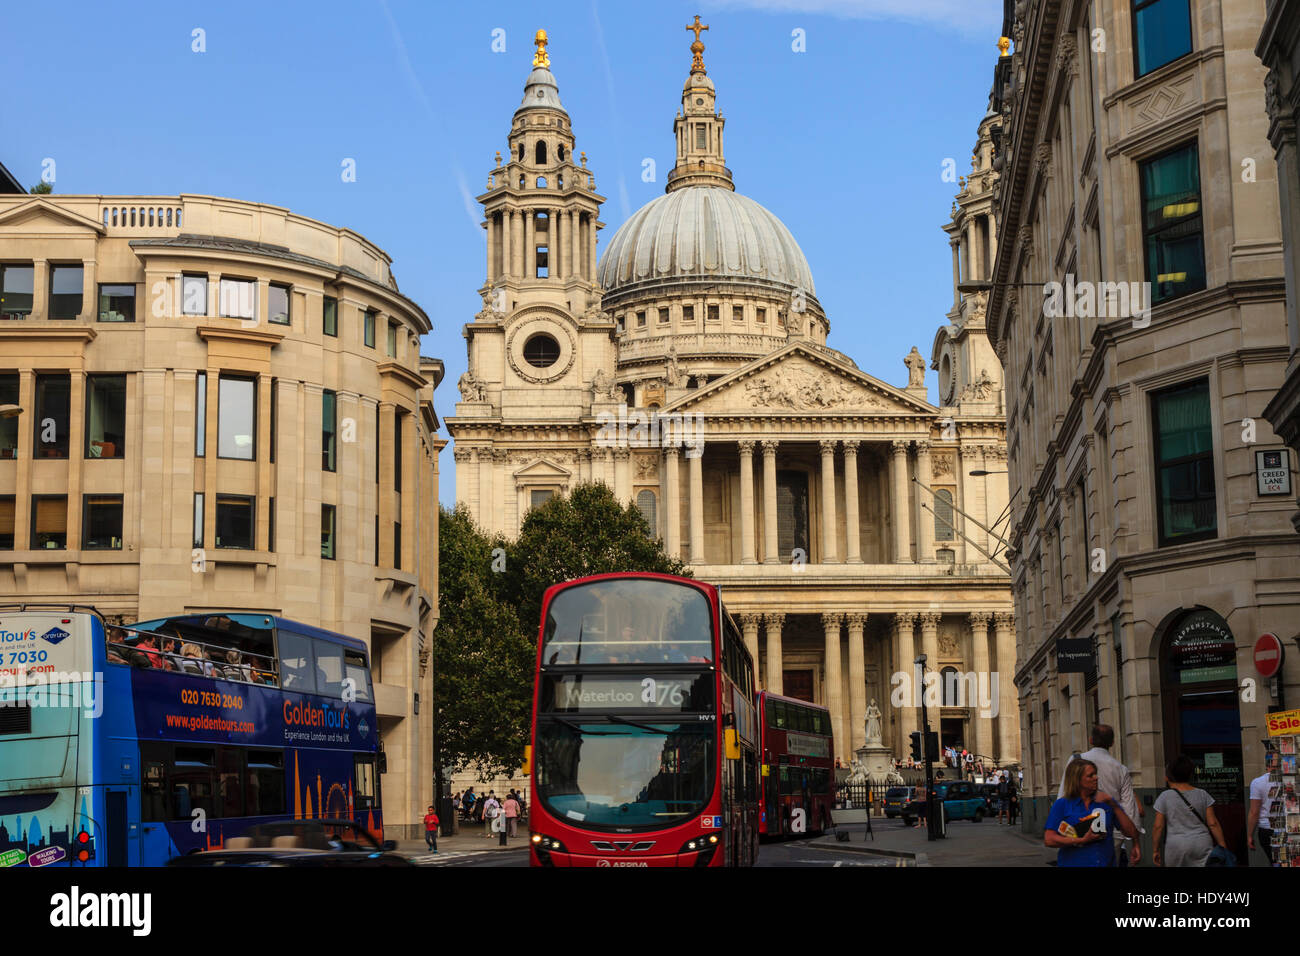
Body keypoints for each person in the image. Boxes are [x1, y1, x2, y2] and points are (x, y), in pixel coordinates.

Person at [1057, 725, 1143, 866]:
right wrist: (1135, 842)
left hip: (1077, 828)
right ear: (1112, 743)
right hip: (1110, 833)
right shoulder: (1121, 769)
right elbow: (1130, 808)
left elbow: (1063, 794)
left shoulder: (1076, 760)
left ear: (1091, 740)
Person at [1045, 757, 1138, 867]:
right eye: (1090, 775)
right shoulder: (1062, 804)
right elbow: (1049, 839)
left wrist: (1113, 804)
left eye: (1095, 774)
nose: (1096, 778)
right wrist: (1081, 840)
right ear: (1077, 780)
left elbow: (1131, 832)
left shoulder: (1106, 802)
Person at [1152, 755, 1227, 867]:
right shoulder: (1203, 794)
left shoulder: (1164, 797)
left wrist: (1155, 850)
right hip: (1202, 843)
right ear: (1190, 774)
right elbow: (1213, 823)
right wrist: (1222, 846)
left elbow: (1158, 826)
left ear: (1168, 776)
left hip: (1176, 845)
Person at [1247, 770, 1276, 865]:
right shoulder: (1291, 779)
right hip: (1289, 826)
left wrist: (1250, 835)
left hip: (1267, 829)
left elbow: (1254, 812)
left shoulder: (1258, 782)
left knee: (1274, 861)